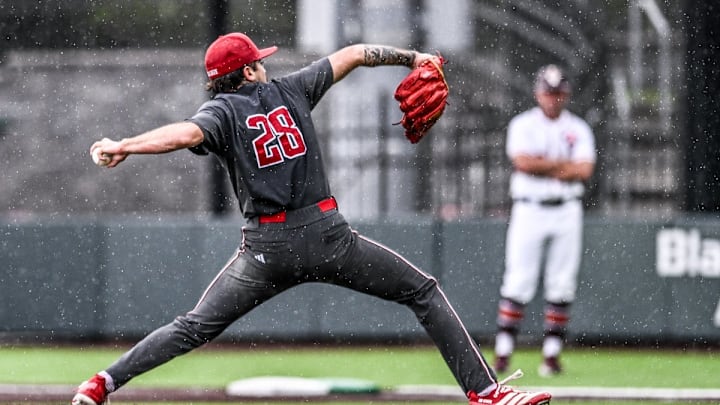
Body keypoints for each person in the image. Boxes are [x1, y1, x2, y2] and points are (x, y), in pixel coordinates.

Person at [72, 33, 552, 405]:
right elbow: (358, 52)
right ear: (250, 70)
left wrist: (126, 145)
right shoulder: (293, 88)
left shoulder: (219, 112)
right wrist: (414, 58)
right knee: (421, 290)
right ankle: (487, 393)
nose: (266, 63)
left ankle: (102, 382)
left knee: (193, 327)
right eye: (260, 59)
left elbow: (183, 133)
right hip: (328, 238)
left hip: (266, 251)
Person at [493, 64, 596, 377]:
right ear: (538, 93)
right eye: (548, 92)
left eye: (558, 93)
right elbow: (523, 162)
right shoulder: (523, 124)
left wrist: (544, 165)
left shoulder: (578, 127)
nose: (553, 98)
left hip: (566, 208)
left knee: (561, 282)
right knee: (518, 280)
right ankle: (503, 353)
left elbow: (584, 170)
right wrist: (563, 167)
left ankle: (551, 356)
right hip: (530, 208)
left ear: (566, 94)